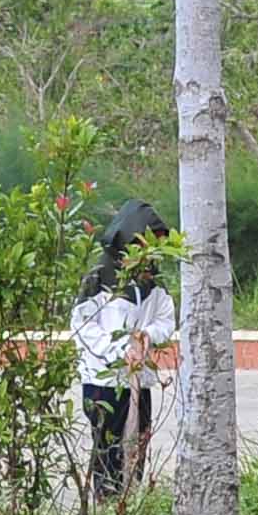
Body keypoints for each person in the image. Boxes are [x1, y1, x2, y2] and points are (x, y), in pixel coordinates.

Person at [74, 200, 171, 496]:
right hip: (103, 381)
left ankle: (129, 504)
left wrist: (146, 336)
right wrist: (119, 351)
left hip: (139, 379)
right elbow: (83, 326)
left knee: (137, 444)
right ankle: (108, 506)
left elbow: (166, 319)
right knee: (108, 448)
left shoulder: (152, 280)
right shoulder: (99, 277)